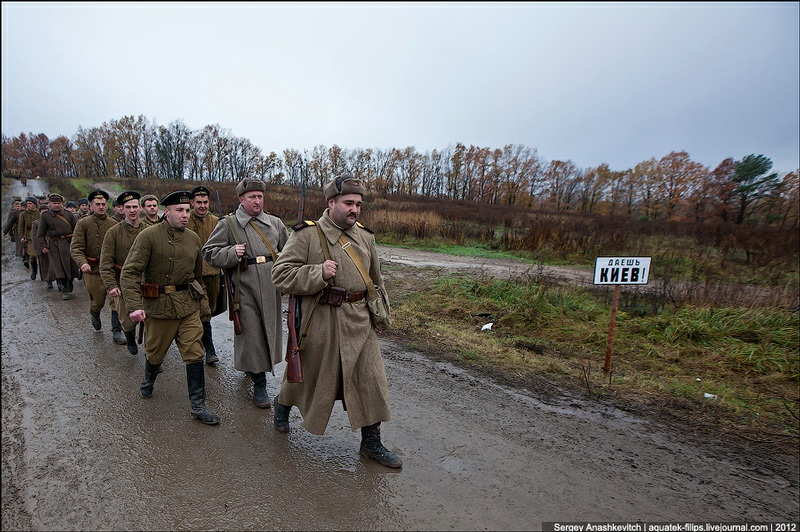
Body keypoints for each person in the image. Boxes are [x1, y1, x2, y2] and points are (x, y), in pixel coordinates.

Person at [270, 174, 402, 468]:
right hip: (322, 322)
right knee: (309, 378)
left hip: (359, 321)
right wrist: (317, 273)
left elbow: (376, 282)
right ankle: (282, 405)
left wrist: (382, 314)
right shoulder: (306, 235)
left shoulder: (366, 237)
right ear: (331, 203)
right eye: (348, 203)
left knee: (371, 380)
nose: (355, 209)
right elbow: (279, 276)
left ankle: (371, 443)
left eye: (358, 204)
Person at [120, 190, 219, 425]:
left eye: (187, 210)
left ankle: (198, 404)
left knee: (195, 353)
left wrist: (203, 307)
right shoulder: (149, 236)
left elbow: (197, 278)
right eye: (180, 210)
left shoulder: (194, 239)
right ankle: (148, 379)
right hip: (159, 307)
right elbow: (130, 272)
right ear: (167, 212)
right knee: (155, 353)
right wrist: (134, 306)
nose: (185, 215)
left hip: (187, 307)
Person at [203, 178, 289, 407]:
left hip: (271, 287)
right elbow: (209, 253)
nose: (257, 201)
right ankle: (259, 383)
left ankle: (257, 369)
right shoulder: (229, 224)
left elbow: (290, 251)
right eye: (252, 197)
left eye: (260, 196)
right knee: (252, 335)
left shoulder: (275, 223)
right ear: (241, 199)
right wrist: (231, 252)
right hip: (244, 288)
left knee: (268, 332)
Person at [100, 191, 147, 355]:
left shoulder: (149, 231)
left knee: (151, 319)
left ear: (141, 208)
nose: (132, 210)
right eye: (128, 207)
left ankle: (151, 353)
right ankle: (130, 336)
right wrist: (111, 285)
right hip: (122, 282)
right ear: (122, 209)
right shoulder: (113, 233)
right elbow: (105, 262)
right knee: (127, 320)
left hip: (146, 281)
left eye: (135, 206)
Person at [71, 190, 121, 340]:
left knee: (115, 301)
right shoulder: (83, 223)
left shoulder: (114, 224)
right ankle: (95, 312)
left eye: (103, 204)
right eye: (97, 204)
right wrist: (82, 263)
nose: (101, 207)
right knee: (97, 301)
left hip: (111, 270)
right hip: (92, 270)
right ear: (91, 206)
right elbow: (76, 247)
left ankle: (116, 331)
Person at [186, 185, 223, 365]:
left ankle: (201, 336)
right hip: (194, 275)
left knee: (213, 308)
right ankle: (209, 349)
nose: (202, 206)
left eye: (205, 202)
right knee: (205, 310)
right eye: (198, 202)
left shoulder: (216, 221)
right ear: (192, 203)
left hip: (215, 272)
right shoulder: (186, 220)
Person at [36, 193, 79, 300]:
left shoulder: (69, 215)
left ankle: (69, 282)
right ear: (50, 204)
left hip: (69, 243)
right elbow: (40, 234)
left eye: (58, 203)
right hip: (54, 245)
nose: (56, 205)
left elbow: (76, 230)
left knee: (71, 266)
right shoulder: (45, 216)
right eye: (54, 203)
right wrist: (43, 246)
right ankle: (64, 288)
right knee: (59, 267)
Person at [18, 197, 40, 280]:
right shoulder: (23, 214)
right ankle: (34, 270)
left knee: (42, 256)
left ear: (35, 204)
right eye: (27, 204)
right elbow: (21, 227)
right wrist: (22, 236)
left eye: (30, 203)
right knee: (33, 255)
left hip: (39, 236)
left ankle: (45, 274)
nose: (29, 205)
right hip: (29, 237)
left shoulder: (39, 213)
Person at [32, 203, 52, 288]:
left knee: (55, 265)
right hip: (42, 247)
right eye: (42, 211)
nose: (44, 213)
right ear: (39, 212)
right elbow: (34, 238)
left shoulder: (52, 221)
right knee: (44, 265)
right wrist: (39, 249)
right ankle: (48, 280)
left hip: (52, 246)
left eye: (46, 211)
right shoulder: (36, 223)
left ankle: (59, 282)